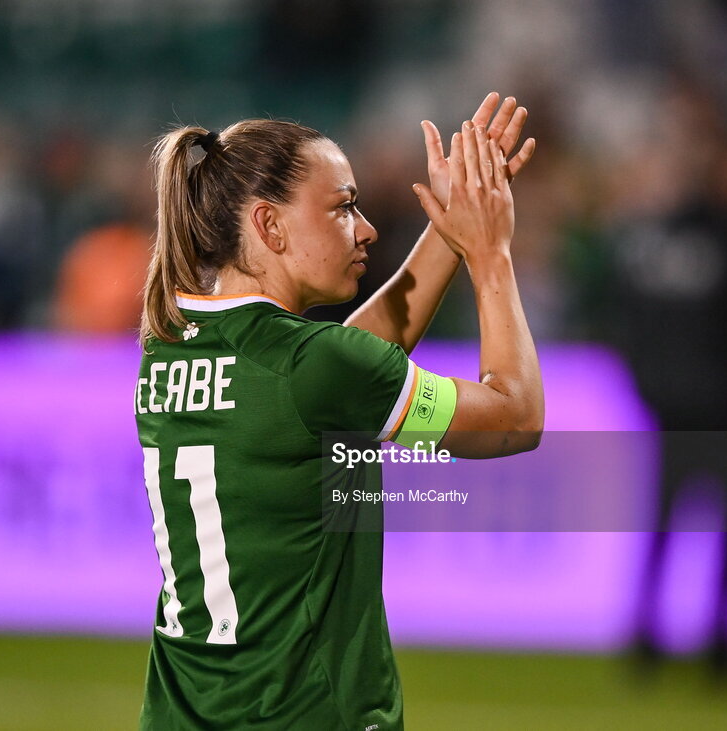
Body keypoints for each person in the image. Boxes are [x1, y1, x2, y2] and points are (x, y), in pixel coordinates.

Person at [135, 93, 543, 730]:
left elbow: (344, 369)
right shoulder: (317, 368)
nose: (366, 228)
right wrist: (490, 255)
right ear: (270, 227)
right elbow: (515, 420)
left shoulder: (165, 351)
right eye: (341, 206)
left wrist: (448, 230)